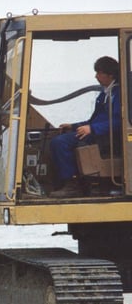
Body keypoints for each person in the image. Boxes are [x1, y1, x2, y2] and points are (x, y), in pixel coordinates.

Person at [49, 56, 121, 198]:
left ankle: (72, 185)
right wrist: (74, 126)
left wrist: (92, 129)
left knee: (60, 143)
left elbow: (120, 121)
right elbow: (94, 120)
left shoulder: (120, 94)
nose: (96, 76)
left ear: (110, 74)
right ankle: (74, 181)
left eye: (99, 73)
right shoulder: (105, 94)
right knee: (59, 138)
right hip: (98, 132)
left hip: (108, 136)